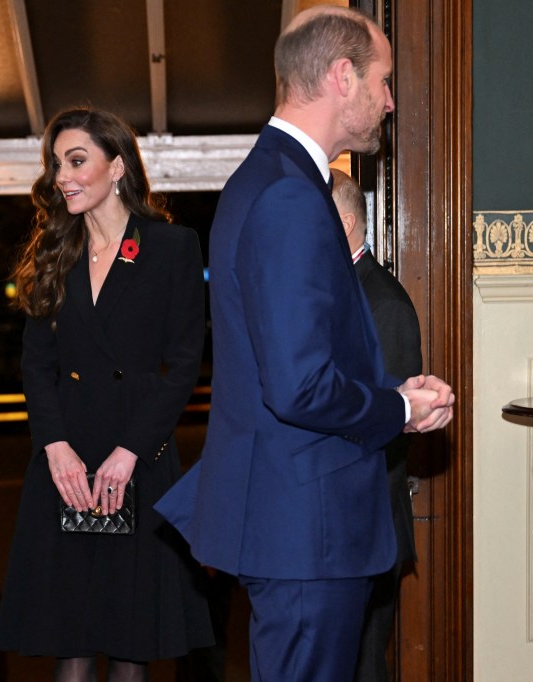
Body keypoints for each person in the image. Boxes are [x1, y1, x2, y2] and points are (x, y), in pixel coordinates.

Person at [155, 6, 454, 681]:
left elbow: (294, 363)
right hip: (307, 531)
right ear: (342, 76)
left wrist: (390, 392)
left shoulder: (270, 179)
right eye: (383, 80)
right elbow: (298, 385)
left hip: (294, 524)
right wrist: (400, 412)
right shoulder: (290, 195)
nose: (390, 100)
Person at [0, 107, 213, 681]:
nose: (63, 176)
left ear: (116, 166)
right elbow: (36, 366)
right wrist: (55, 447)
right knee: (71, 642)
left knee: (129, 646)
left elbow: (184, 364)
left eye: (76, 161)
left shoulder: (171, 247)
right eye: (57, 164)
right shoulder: (54, 252)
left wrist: (129, 451)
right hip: (65, 467)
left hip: (137, 460)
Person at [330, 168, 421, 682]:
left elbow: (389, 424)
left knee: (363, 667)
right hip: (335, 528)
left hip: (365, 527)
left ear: (344, 223)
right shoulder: (334, 292)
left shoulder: (382, 303)